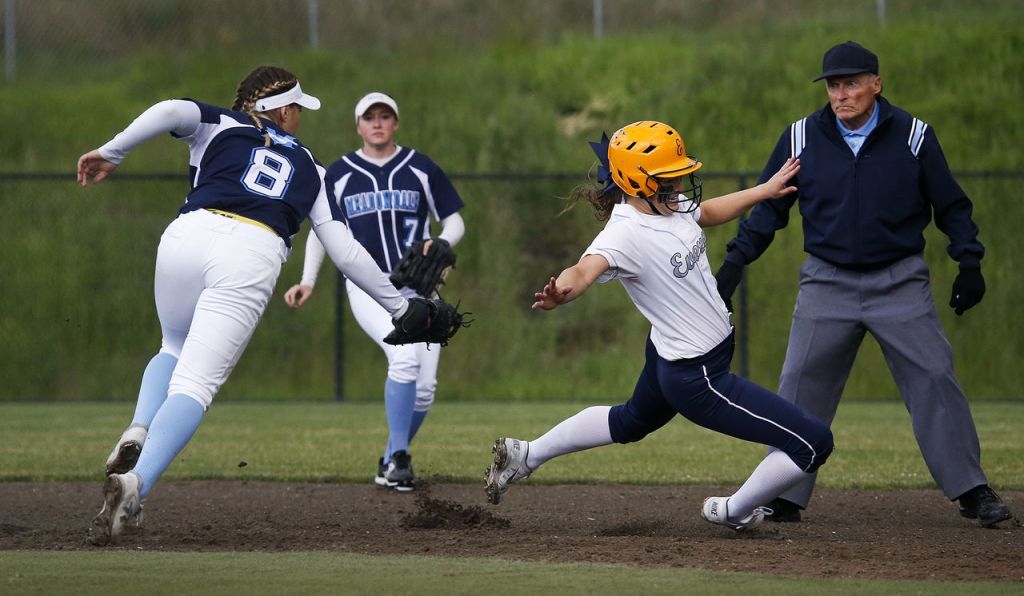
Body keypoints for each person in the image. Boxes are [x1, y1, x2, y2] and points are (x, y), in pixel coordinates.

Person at [78, 67, 426, 545]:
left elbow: (171, 109)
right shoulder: (314, 168)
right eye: (297, 109)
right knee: (196, 384)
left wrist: (111, 151)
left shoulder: (219, 125)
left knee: (173, 344)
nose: (300, 118)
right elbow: (344, 251)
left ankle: (139, 428)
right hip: (251, 250)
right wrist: (398, 307)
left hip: (187, 233)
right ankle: (134, 486)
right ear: (281, 110)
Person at [714, 41, 1013, 527]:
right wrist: (734, 265)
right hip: (825, 282)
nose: (841, 94)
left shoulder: (914, 136)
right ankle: (783, 491)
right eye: (834, 85)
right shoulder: (800, 137)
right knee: (797, 384)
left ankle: (972, 490)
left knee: (935, 376)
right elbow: (769, 209)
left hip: (899, 281)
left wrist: (969, 262)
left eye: (852, 83)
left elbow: (951, 206)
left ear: (876, 84)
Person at [484, 121, 834, 533]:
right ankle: (733, 510)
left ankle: (527, 454)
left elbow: (707, 212)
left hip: (671, 354)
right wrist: (562, 290)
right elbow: (584, 269)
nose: (680, 182)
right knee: (813, 443)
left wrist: (763, 190)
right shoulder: (625, 233)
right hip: (698, 376)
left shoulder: (669, 203)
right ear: (636, 181)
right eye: (668, 177)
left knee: (630, 421)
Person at [283, 92, 465, 492]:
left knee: (427, 387)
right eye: (370, 117)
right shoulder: (339, 173)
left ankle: (389, 459)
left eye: (385, 116)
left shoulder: (419, 168)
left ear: (395, 123)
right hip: (370, 287)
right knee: (403, 360)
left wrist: (442, 241)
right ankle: (400, 457)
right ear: (358, 126)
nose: (378, 123)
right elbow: (321, 231)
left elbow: (453, 221)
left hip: (419, 286)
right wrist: (308, 280)